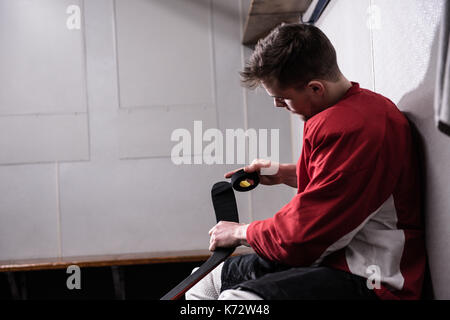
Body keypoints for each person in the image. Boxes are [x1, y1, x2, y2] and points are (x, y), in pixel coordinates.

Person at [186, 23, 426, 300]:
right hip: (334, 259)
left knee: (240, 302)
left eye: (282, 98)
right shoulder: (353, 110)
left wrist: (241, 232)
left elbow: (304, 237)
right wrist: (284, 173)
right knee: (205, 282)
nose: (278, 105)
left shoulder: (355, 127)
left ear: (315, 88)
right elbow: (343, 182)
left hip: (371, 280)